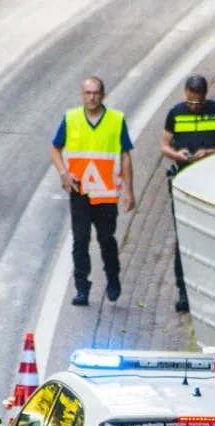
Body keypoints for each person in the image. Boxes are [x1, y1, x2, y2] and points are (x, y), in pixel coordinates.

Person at [49, 76, 136, 307]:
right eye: (88, 93)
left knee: (106, 239)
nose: (92, 97)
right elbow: (55, 148)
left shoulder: (115, 120)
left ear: (103, 95)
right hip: (80, 190)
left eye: (96, 93)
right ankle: (82, 287)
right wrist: (64, 173)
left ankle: (112, 278)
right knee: (80, 240)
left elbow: (125, 156)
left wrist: (128, 191)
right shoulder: (71, 118)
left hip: (106, 193)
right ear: (82, 95)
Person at [160, 75, 215, 313]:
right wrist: (177, 155)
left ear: (205, 95)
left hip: (213, 184)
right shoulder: (175, 114)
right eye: (191, 101)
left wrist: (209, 153)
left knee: (214, 236)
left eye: (199, 102)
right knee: (184, 238)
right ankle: (184, 291)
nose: (194, 106)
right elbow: (164, 145)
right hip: (184, 184)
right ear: (185, 93)